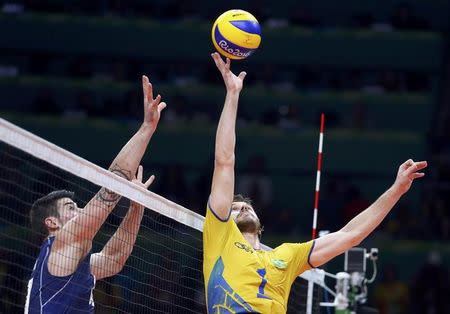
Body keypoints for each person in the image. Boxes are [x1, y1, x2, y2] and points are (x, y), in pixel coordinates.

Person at [203, 52, 428, 313]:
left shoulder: (285, 256)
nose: (243, 207)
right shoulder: (220, 235)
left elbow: (350, 236)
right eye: (234, 207)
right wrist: (232, 94)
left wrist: (396, 190)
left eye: (246, 206)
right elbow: (224, 162)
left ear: (261, 225)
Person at [24, 75, 166, 313]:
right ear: (51, 223)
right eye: (71, 207)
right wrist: (147, 128)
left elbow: (114, 258)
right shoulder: (61, 243)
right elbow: (109, 190)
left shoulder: (73, 260)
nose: (80, 210)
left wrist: (136, 207)